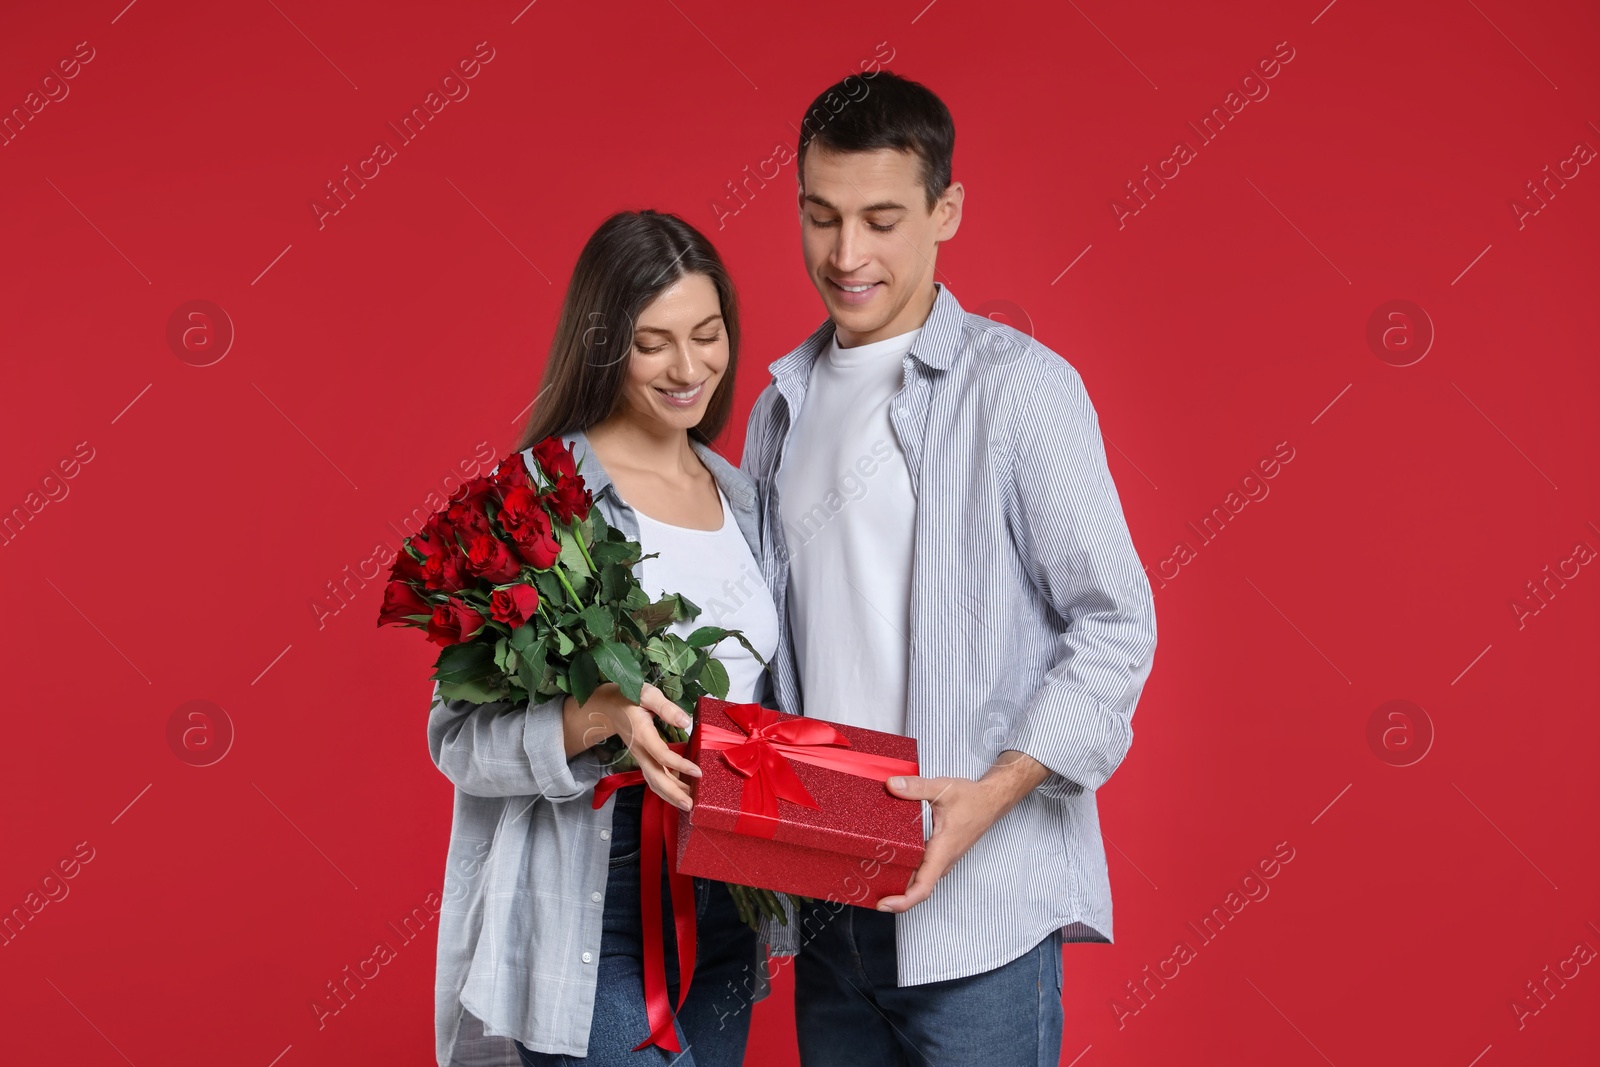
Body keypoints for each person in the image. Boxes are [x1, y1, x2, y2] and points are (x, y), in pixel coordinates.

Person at [740, 71, 1160, 1065]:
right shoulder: (775, 412)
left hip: (980, 916)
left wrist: (992, 789)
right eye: (821, 217)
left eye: (881, 219)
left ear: (946, 211)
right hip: (830, 903)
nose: (848, 254)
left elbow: (1116, 624)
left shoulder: (1021, 390)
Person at [426, 209, 782, 1066]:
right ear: (603, 343)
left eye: (708, 334)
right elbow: (456, 739)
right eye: (654, 343)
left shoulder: (747, 500)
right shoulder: (542, 498)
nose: (689, 367)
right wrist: (599, 718)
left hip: (728, 891)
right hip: (596, 890)